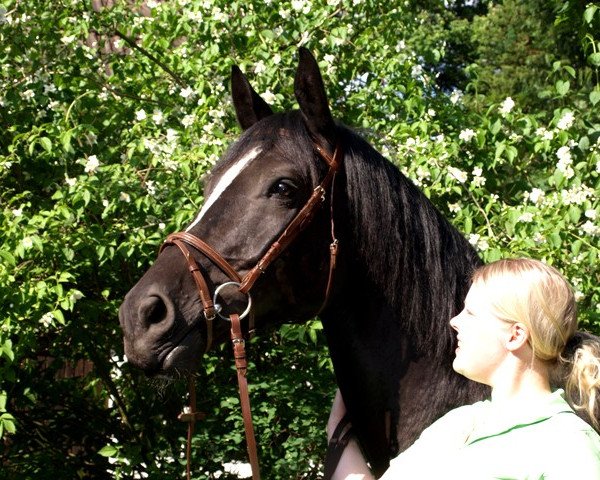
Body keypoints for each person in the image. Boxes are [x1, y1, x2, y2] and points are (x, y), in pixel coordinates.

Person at [327, 258, 600, 479]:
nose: (455, 322)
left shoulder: (569, 444)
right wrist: (338, 433)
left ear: (515, 335)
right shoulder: (458, 424)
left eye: (471, 313)